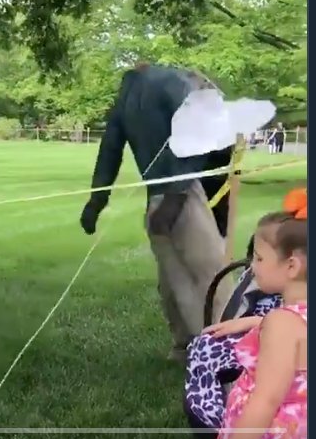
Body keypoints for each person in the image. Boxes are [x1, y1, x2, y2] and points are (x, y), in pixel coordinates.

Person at [79, 63, 233, 361]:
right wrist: (176, 197)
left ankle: (186, 345)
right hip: (182, 193)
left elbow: (109, 151)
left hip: (158, 198)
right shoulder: (173, 82)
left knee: (174, 278)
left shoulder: (127, 96)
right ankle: (223, 349)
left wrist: (96, 202)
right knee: (211, 275)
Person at [188, 188, 307, 439]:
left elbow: (265, 400)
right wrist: (253, 321)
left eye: (257, 257)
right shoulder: (293, 319)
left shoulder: (282, 325)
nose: (252, 266)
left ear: (291, 265)